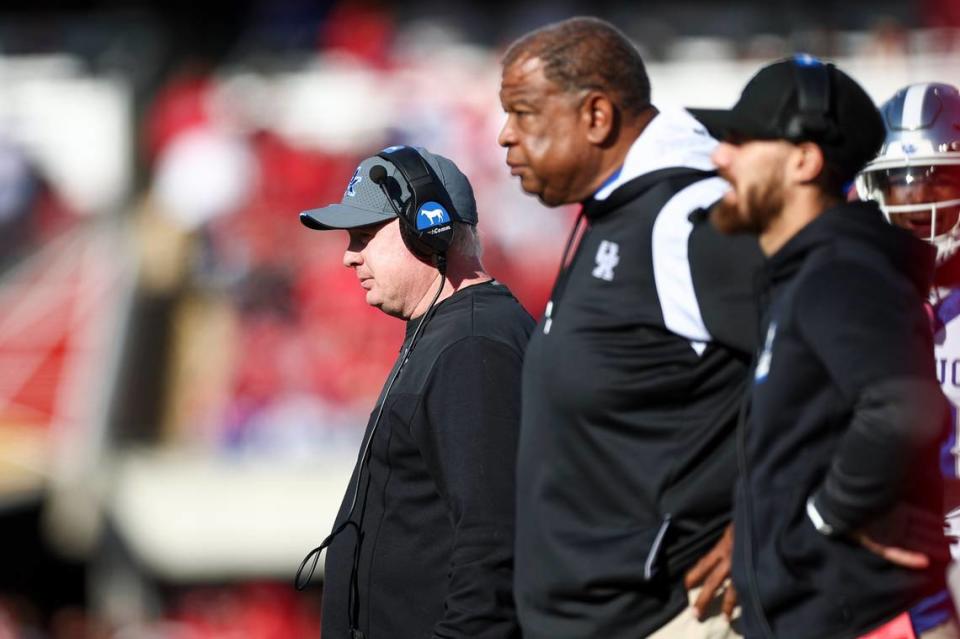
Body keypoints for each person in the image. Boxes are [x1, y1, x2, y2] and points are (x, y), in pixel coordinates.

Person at [498, 17, 762, 638]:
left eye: (525, 112)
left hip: (674, 618)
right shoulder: (615, 214)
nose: (506, 136)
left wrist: (761, 520)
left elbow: (838, 367)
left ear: (596, 116)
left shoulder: (689, 218)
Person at [693, 56, 953, 638]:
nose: (719, 158)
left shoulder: (840, 271)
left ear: (804, 160)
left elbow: (903, 408)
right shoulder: (805, 274)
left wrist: (826, 516)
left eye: (741, 141)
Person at [295, 145, 532, 638]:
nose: (348, 256)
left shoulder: (472, 346)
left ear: (429, 228)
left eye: (364, 236)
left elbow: (495, 543)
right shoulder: (450, 335)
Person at [857, 81, 960, 637]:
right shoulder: (852, 299)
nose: (918, 199)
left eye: (936, 176)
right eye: (898, 182)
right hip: (889, 557)